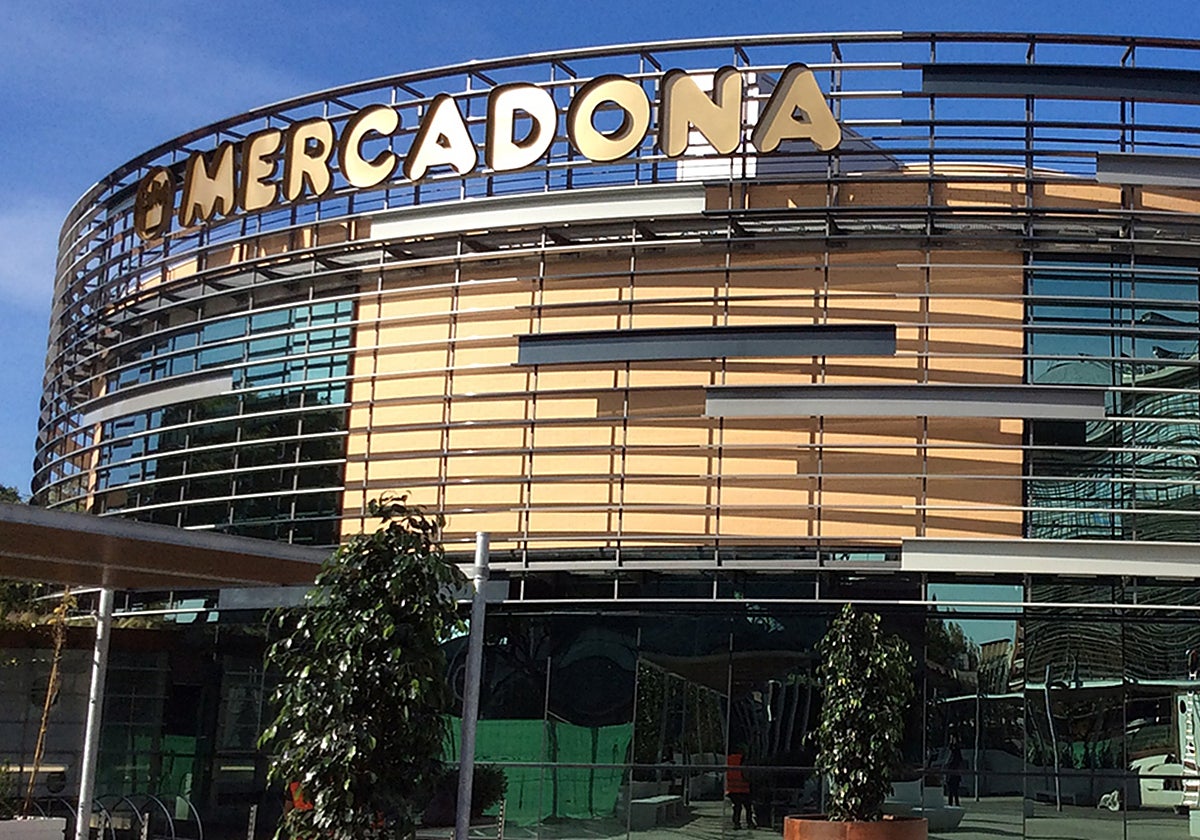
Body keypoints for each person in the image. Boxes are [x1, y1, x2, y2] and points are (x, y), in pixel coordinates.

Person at [726, 750, 756, 829]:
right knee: (748, 807)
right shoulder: (745, 759)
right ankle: (749, 823)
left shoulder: (728, 760)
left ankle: (736, 823)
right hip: (745, 788)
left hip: (733, 789)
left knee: (737, 807)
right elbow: (747, 774)